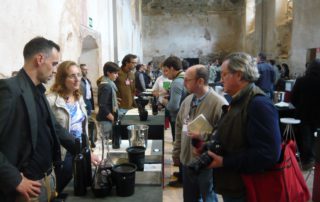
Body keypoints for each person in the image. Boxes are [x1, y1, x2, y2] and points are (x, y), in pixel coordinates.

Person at [0, 37, 98, 201]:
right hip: (25, 185)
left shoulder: (38, 91)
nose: (54, 70)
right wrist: (15, 179)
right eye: (53, 64)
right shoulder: (10, 89)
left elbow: (56, 128)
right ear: (39, 59)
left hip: (47, 177)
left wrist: (84, 151)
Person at [207, 52, 281, 201]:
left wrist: (225, 162)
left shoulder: (258, 104)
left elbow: (268, 154)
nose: (221, 80)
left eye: (224, 74)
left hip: (247, 188)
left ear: (239, 75)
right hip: (233, 183)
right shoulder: (238, 100)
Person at [173, 65, 227, 202]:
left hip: (206, 164)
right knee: (190, 197)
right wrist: (177, 152)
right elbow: (179, 127)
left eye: (187, 80)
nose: (184, 83)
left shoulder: (219, 104)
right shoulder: (187, 100)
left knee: (208, 197)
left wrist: (203, 136)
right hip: (186, 161)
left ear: (200, 81)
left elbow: (224, 136)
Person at [46, 61, 91, 193]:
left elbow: (83, 127)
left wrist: (88, 148)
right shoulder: (50, 100)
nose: (77, 79)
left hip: (81, 150)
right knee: (64, 190)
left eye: (79, 74)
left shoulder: (79, 97)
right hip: (64, 154)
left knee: (81, 187)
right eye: (72, 76)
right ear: (62, 78)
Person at [161, 56, 188, 187]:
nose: (165, 74)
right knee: (181, 145)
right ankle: (182, 172)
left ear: (172, 68)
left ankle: (183, 177)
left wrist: (164, 101)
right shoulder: (181, 78)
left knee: (180, 146)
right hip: (183, 117)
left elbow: (173, 106)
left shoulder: (177, 81)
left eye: (166, 71)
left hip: (179, 118)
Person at [291, 59, 320, 170]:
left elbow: (293, 98)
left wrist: (300, 105)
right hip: (318, 115)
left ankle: (307, 160)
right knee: (316, 137)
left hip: (304, 113)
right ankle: (315, 158)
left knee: (305, 137)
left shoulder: (301, 80)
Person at [96, 62, 120, 141]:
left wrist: (114, 100)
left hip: (106, 119)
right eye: (115, 73)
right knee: (106, 143)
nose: (117, 75)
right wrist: (114, 119)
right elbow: (102, 106)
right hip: (105, 120)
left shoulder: (106, 83)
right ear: (108, 73)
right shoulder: (107, 86)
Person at [80, 64, 96, 148]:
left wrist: (92, 105)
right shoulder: (79, 80)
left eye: (86, 69)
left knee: (90, 121)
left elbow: (90, 93)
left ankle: (91, 140)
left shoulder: (87, 80)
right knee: (84, 122)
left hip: (88, 102)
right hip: (83, 101)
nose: (85, 71)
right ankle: (85, 141)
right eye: (83, 69)